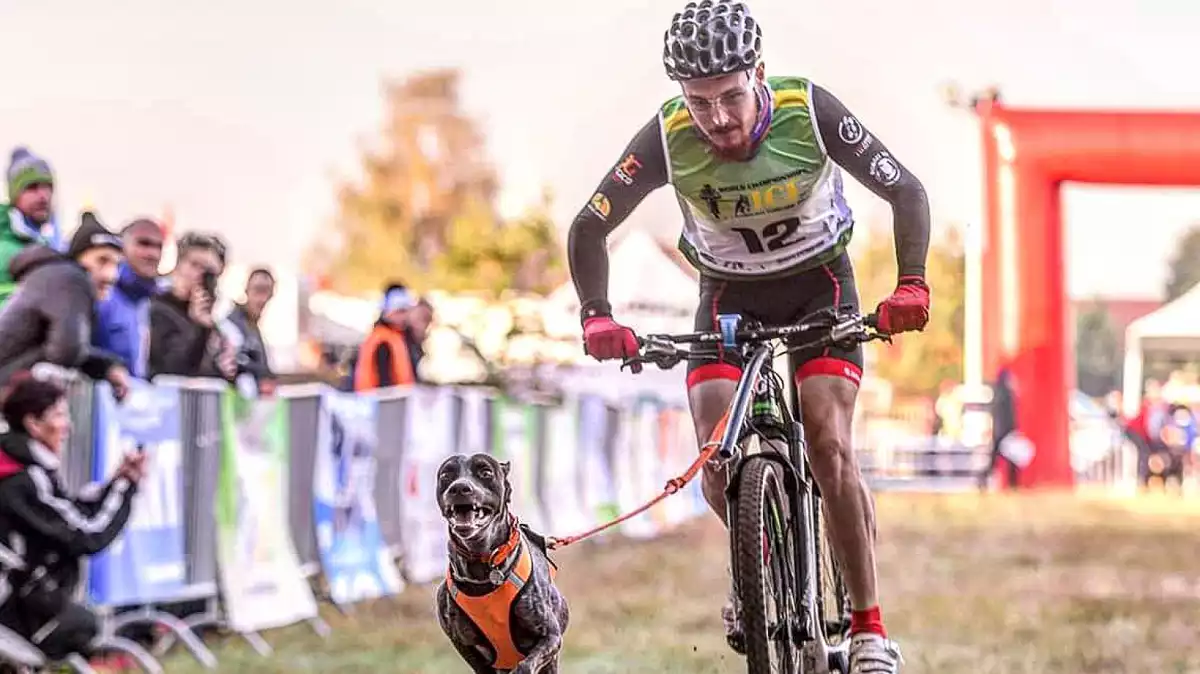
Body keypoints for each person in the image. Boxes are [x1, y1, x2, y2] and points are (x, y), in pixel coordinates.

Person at [565, 3, 930, 670]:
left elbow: (906, 191)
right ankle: (757, 570)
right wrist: (597, 314)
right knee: (716, 454)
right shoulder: (668, 135)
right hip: (726, 297)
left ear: (758, 73)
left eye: (731, 96)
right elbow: (590, 225)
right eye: (699, 103)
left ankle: (868, 627)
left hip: (821, 285)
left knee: (826, 441)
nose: (719, 118)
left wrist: (911, 283)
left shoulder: (809, 110)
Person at [0, 373, 146, 661]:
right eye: (59, 415)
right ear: (33, 423)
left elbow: (70, 515)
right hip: (13, 608)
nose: (67, 425)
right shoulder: (22, 479)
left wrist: (116, 483)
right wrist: (125, 487)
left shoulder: (23, 467)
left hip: (21, 601)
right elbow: (87, 536)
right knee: (81, 628)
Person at [0, 212, 131, 397]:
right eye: (102, 260)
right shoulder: (71, 278)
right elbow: (67, 352)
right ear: (79, 258)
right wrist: (104, 368)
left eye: (117, 265)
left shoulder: (53, 276)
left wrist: (107, 367)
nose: (111, 275)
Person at [148, 232, 236, 380]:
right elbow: (169, 368)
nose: (199, 275)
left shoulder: (213, 321)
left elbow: (207, 374)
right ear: (178, 264)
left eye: (208, 272)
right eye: (194, 265)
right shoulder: (156, 307)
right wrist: (197, 328)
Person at [94, 218, 165, 379]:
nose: (153, 254)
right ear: (122, 248)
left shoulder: (151, 302)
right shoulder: (103, 294)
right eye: (143, 243)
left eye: (158, 246)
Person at [0, 147, 62, 307]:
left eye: (48, 187)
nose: (43, 196)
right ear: (14, 195)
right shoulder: (4, 247)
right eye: (32, 187)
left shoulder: (50, 244)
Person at [222, 267, 278, 395]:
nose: (262, 298)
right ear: (247, 290)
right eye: (258, 290)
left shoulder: (253, 327)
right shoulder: (232, 324)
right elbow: (234, 363)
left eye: (266, 291)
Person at [352, 283, 418, 391]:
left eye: (406, 311)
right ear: (388, 313)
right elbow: (384, 382)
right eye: (400, 312)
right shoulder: (383, 341)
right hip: (384, 404)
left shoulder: (397, 337)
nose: (404, 317)